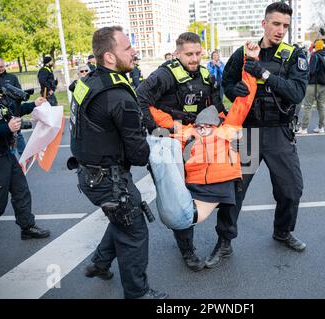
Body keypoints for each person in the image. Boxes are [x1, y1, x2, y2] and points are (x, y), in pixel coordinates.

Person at [207, 1, 309, 269]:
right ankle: (224, 241)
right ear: (264, 23)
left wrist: (264, 74)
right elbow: (225, 83)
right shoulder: (245, 51)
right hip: (249, 133)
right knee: (234, 191)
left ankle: (283, 231)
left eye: (285, 25)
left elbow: (297, 93)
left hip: (278, 133)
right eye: (276, 24)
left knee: (291, 190)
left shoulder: (293, 55)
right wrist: (235, 91)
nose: (280, 30)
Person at [68, 26, 167, 299]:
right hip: (109, 181)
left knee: (122, 220)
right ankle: (137, 294)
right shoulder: (119, 96)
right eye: (127, 47)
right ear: (109, 57)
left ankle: (99, 264)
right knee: (134, 232)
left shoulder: (88, 82)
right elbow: (139, 155)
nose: (134, 52)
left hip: (89, 175)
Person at [137, 32, 226, 272]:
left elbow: (218, 107)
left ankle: (225, 240)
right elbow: (140, 99)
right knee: (176, 197)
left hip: (197, 144)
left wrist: (222, 127)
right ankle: (187, 251)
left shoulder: (206, 75)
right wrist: (159, 130)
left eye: (198, 53)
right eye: (189, 54)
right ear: (177, 53)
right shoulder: (165, 75)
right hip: (170, 145)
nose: (195, 58)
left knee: (217, 188)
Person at [146, 41, 259, 229]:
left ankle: (213, 237)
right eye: (201, 124)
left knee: (183, 218)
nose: (204, 126)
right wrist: (158, 78)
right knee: (163, 149)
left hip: (219, 184)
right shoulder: (185, 131)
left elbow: (245, 100)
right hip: (192, 187)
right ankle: (185, 243)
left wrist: (250, 58)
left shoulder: (227, 127)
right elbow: (153, 111)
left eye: (209, 123)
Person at [0, 57, 50, 239]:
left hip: (6, 154)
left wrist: (33, 105)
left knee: (21, 191)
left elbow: (10, 111)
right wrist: (7, 127)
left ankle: (27, 227)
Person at [0, 57, 27, 156]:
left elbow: (20, 93)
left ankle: (25, 156)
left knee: (18, 134)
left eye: (1, 66)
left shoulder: (12, 78)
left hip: (13, 111)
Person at [299, 39, 325, 134]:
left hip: (313, 84)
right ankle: (321, 127)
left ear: (316, 47)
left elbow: (312, 71)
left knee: (308, 106)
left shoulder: (315, 55)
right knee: (322, 106)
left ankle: (304, 128)